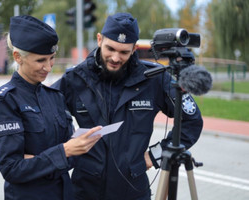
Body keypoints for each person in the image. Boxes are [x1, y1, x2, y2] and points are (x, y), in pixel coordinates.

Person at [52, 12, 203, 200]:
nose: (115, 58)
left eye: (124, 52)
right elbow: (45, 115)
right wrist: (65, 149)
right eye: (110, 49)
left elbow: (192, 121)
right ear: (99, 40)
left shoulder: (154, 78)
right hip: (85, 190)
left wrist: (155, 156)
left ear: (134, 49)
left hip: (133, 189)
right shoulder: (75, 78)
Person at [0, 15, 101, 200]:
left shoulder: (55, 97)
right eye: (40, 60)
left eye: (52, 58)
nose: (48, 67)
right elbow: (12, 169)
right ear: (18, 57)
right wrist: (64, 152)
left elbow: (71, 155)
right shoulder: (4, 101)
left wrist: (68, 150)